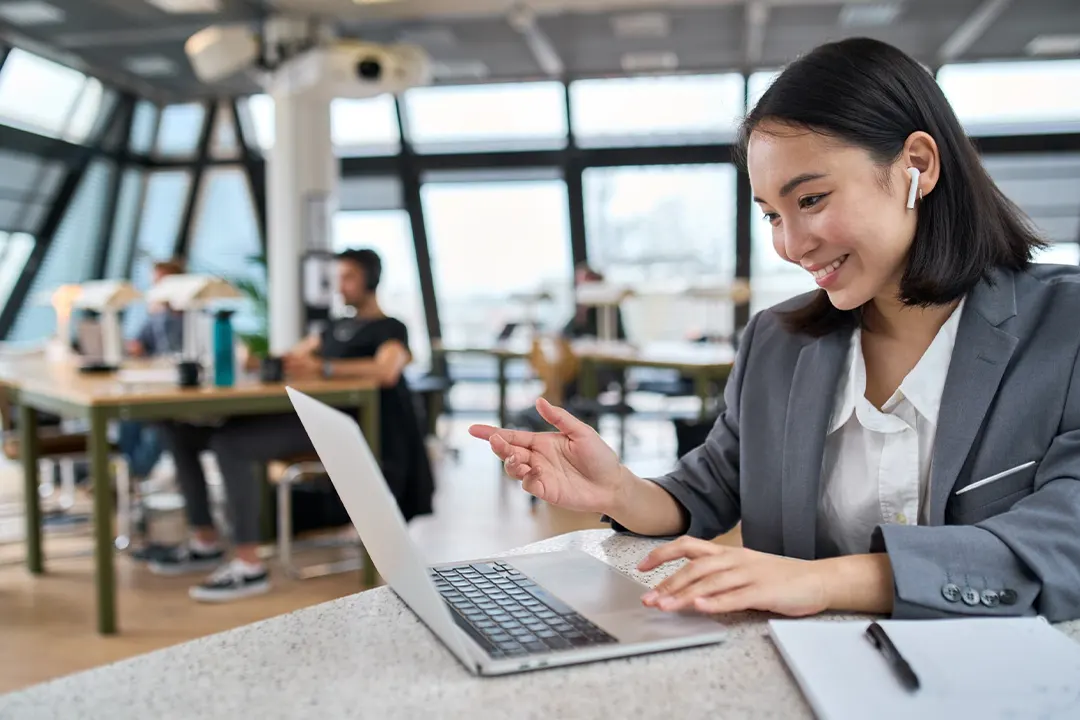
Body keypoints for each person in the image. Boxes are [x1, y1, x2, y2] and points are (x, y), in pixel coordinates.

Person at [470, 38, 1080, 622]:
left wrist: (818, 581)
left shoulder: (1065, 328)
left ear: (916, 165)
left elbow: (1064, 543)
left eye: (810, 200)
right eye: (771, 215)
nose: (790, 244)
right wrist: (619, 490)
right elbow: (711, 488)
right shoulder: (779, 340)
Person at [151, 248, 435, 602]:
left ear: (370, 281)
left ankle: (249, 565)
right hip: (309, 413)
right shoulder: (333, 327)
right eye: (337, 278)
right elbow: (294, 357)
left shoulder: (390, 328)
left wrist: (325, 369)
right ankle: (204, 539)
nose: (340, 286)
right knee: (180, 432)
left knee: (231, 444)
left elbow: (388, 370)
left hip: (343, 425)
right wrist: (254, 360)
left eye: (348, 277)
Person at [119, 259, 185, 482]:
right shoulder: (155, 317)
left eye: (160, 282)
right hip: (155, 387)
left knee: (161, 427)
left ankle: (134, 475)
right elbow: (138, 344)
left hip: (179, 394)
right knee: (127, 418)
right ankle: (126, 475)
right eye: (154, 283)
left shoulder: (193, 315)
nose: (156, 288)